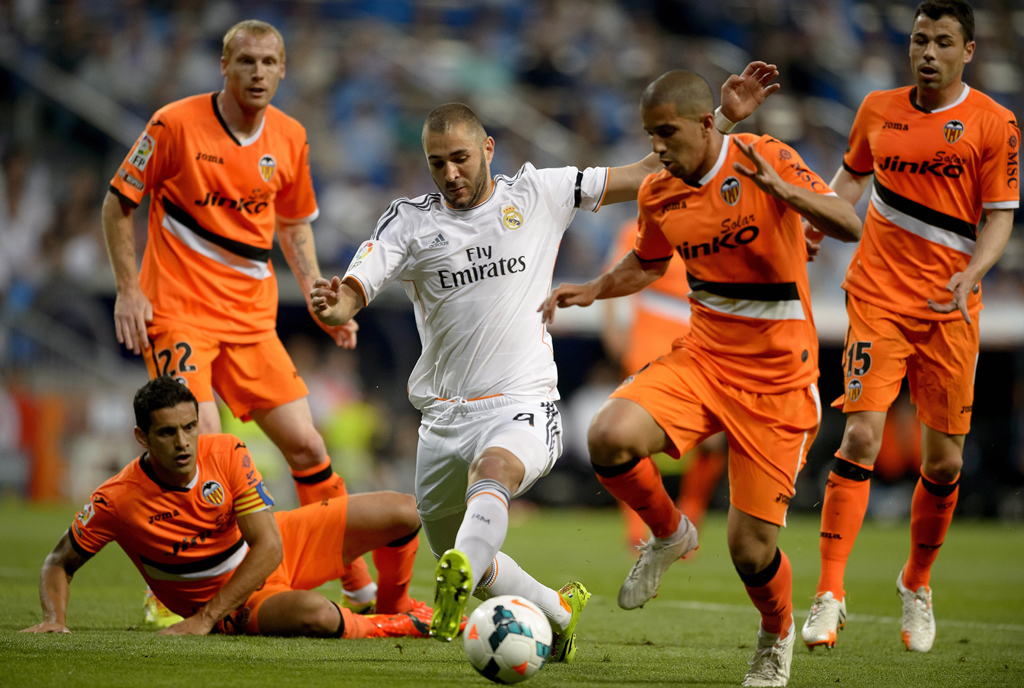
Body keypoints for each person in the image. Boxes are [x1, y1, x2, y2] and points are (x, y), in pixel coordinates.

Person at [309, 63, 782, 661]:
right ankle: (557, 610)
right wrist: (336, 304)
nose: (450, 174)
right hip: (442, 416)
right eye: (437, 163)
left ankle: (458, 595)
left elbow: (645, 171)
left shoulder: (539, 191)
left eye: (460, 157)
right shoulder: (411, 222)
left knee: (496, 470)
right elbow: (357, 284)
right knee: (462, 551)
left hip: (522, 402)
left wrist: (723, 123)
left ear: (488, 147)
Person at [540, 71, 862, 687]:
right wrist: (596, 289)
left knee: (750, 552)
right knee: (608, 435)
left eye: (667, 133)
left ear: (706, 123)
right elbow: (647, 263)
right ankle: (668, 533)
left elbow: (847, 222)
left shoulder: (765, 156)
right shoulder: (659, 192)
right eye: (649, 136)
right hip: (704, 358)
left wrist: (789, 196)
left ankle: (775, 633)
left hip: (776, 380)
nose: (657, 148)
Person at [100, 19, 381, 618]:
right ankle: (177, 589)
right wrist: (129, 289)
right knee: (198, 444)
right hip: (178, 313)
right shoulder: (173, 124)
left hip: (252, 321)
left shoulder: (291, 137)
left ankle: (355, 577)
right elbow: (118, 204)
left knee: (307, 445)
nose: (257, 73)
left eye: (269, 63)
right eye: (246, 62)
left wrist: (316, 297)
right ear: (223, 67)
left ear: (283, 70)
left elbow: (294, 224)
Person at [799, 0, 1018, 654]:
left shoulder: (994, 123)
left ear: (967, 52)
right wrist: (819, 220)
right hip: (877, 298)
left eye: (942, 42)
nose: (927, 52)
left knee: (944, 460)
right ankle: (829, 593)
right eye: (920, 39)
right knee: (861, 433)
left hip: (950, 307)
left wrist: (973, 272)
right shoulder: (877, 109)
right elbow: (850, 183)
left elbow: (1001, 215)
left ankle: (916, 582)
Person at [20, 376, 431, 639]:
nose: (183, 442)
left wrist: (202, 621)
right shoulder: (116, 498)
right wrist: (55, 617)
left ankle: (396, 605)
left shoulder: (226, 451)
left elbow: (269, 546)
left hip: (274, 547)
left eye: (189, 427)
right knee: (318, 616)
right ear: (141, 438)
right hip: (234, 601)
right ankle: (400, 626)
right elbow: (59, 561)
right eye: (167, 432)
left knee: (404, 512)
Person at [602, 220, 727, 547]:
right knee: (633, 438)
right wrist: (615, 330)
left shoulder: (710, 223)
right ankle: (638, 528)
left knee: (712, 439)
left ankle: (690, 514)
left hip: (699, 336)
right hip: (649, 337)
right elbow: (614, 277)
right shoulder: (636, 229)